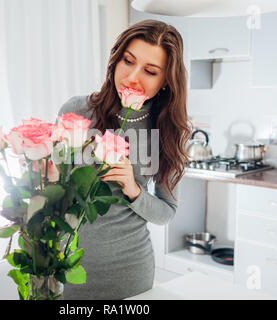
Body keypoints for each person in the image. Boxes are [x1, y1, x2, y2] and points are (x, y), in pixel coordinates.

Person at [57, 19, 190, 299]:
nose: (132, 77)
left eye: (150, 71)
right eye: (128, 61)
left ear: (166, 80)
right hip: (66, 266)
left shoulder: (168, 131)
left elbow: (166, 212)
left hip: (129, 273)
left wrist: (132, 188)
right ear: (115, 61)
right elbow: (52, 186)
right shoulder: (76, 111)